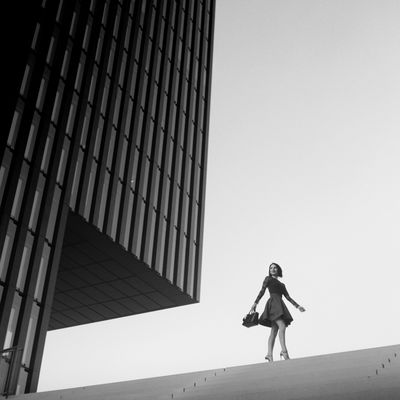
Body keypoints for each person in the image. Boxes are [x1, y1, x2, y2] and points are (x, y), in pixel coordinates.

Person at [250, 263, 305, 362]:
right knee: (282, 326)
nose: (273, 269)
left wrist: (298, 306)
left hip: (279, 304)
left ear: (278, 270)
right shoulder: (268, 279)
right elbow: (262, 291)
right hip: (273, 304)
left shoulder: (282, 285)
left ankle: (269, 355)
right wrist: (255, 303)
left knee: (274, 330)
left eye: (275, 268)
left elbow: (288, 297)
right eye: (271, 268)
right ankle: (284, 352)